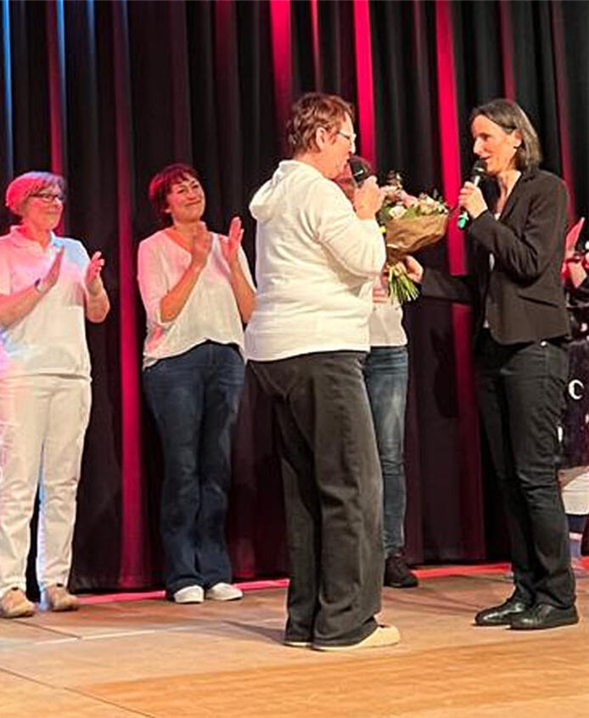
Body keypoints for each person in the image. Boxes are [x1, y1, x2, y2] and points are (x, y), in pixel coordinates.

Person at [405, 98, 579, 630]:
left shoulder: (545, 190)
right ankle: (525, 589)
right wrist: (422, 279)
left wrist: (480, 219)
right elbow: (483, 289)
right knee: (508, 478)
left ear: (515, 139)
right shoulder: (489, 202)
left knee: (533, 476)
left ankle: (558, 597)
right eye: (474, 139)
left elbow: (529, 265)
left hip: (535, 349)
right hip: (493, 351)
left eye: (485, 138)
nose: (476, 149)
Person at [245, 93, 398, 651]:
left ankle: (306, 618)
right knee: (355, 484)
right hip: (322, 350)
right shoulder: (321, 194)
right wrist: (365, 213)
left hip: (276, 352)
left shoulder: (279, 191)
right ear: (321, 136)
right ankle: (347, 623)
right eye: (347, 136)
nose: (353, 148)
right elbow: (364, 259)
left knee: (307, 490)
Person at [0, 171, 110, 618]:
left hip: (72, 375)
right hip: (23, 377)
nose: (55, 202)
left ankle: (55, 579)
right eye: (44, 196)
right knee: (17, 482)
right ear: (19, 203)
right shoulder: (0, 250)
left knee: (62, 484)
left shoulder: (71, 249)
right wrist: (41, 285)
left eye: (58, 195)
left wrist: (92, 283)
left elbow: (98, 313)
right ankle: (10, 586)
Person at [137, 164, 255, 604]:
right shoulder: (153, 248)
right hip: (174, 364)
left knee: (217, 467)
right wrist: (198, 263)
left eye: (195, 185)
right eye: (179, 190)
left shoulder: (229, 244)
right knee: (183, 468)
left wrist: (231, 263)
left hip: (225, 357)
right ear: (165, 205)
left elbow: (249, 312)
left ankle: (216, 569)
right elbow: (161, 314)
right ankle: (183, 573)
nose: (191, 193)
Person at [334, 159, 418, 589]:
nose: (354, 186)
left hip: (388, 342)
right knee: (349, 456)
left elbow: (406, 270)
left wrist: (401, 265)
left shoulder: (381, 219)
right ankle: (354, 552)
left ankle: (390, 551)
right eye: (347, 180)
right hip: (345, 344)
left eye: (359, 179)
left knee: (389, 454)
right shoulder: (330, 219)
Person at [559, 218, 588, 577]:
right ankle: (546, 554)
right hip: (549, 358)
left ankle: (572, 551)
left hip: (581, 365)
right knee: (547, 458)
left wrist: (572, 260)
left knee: (580, 457)